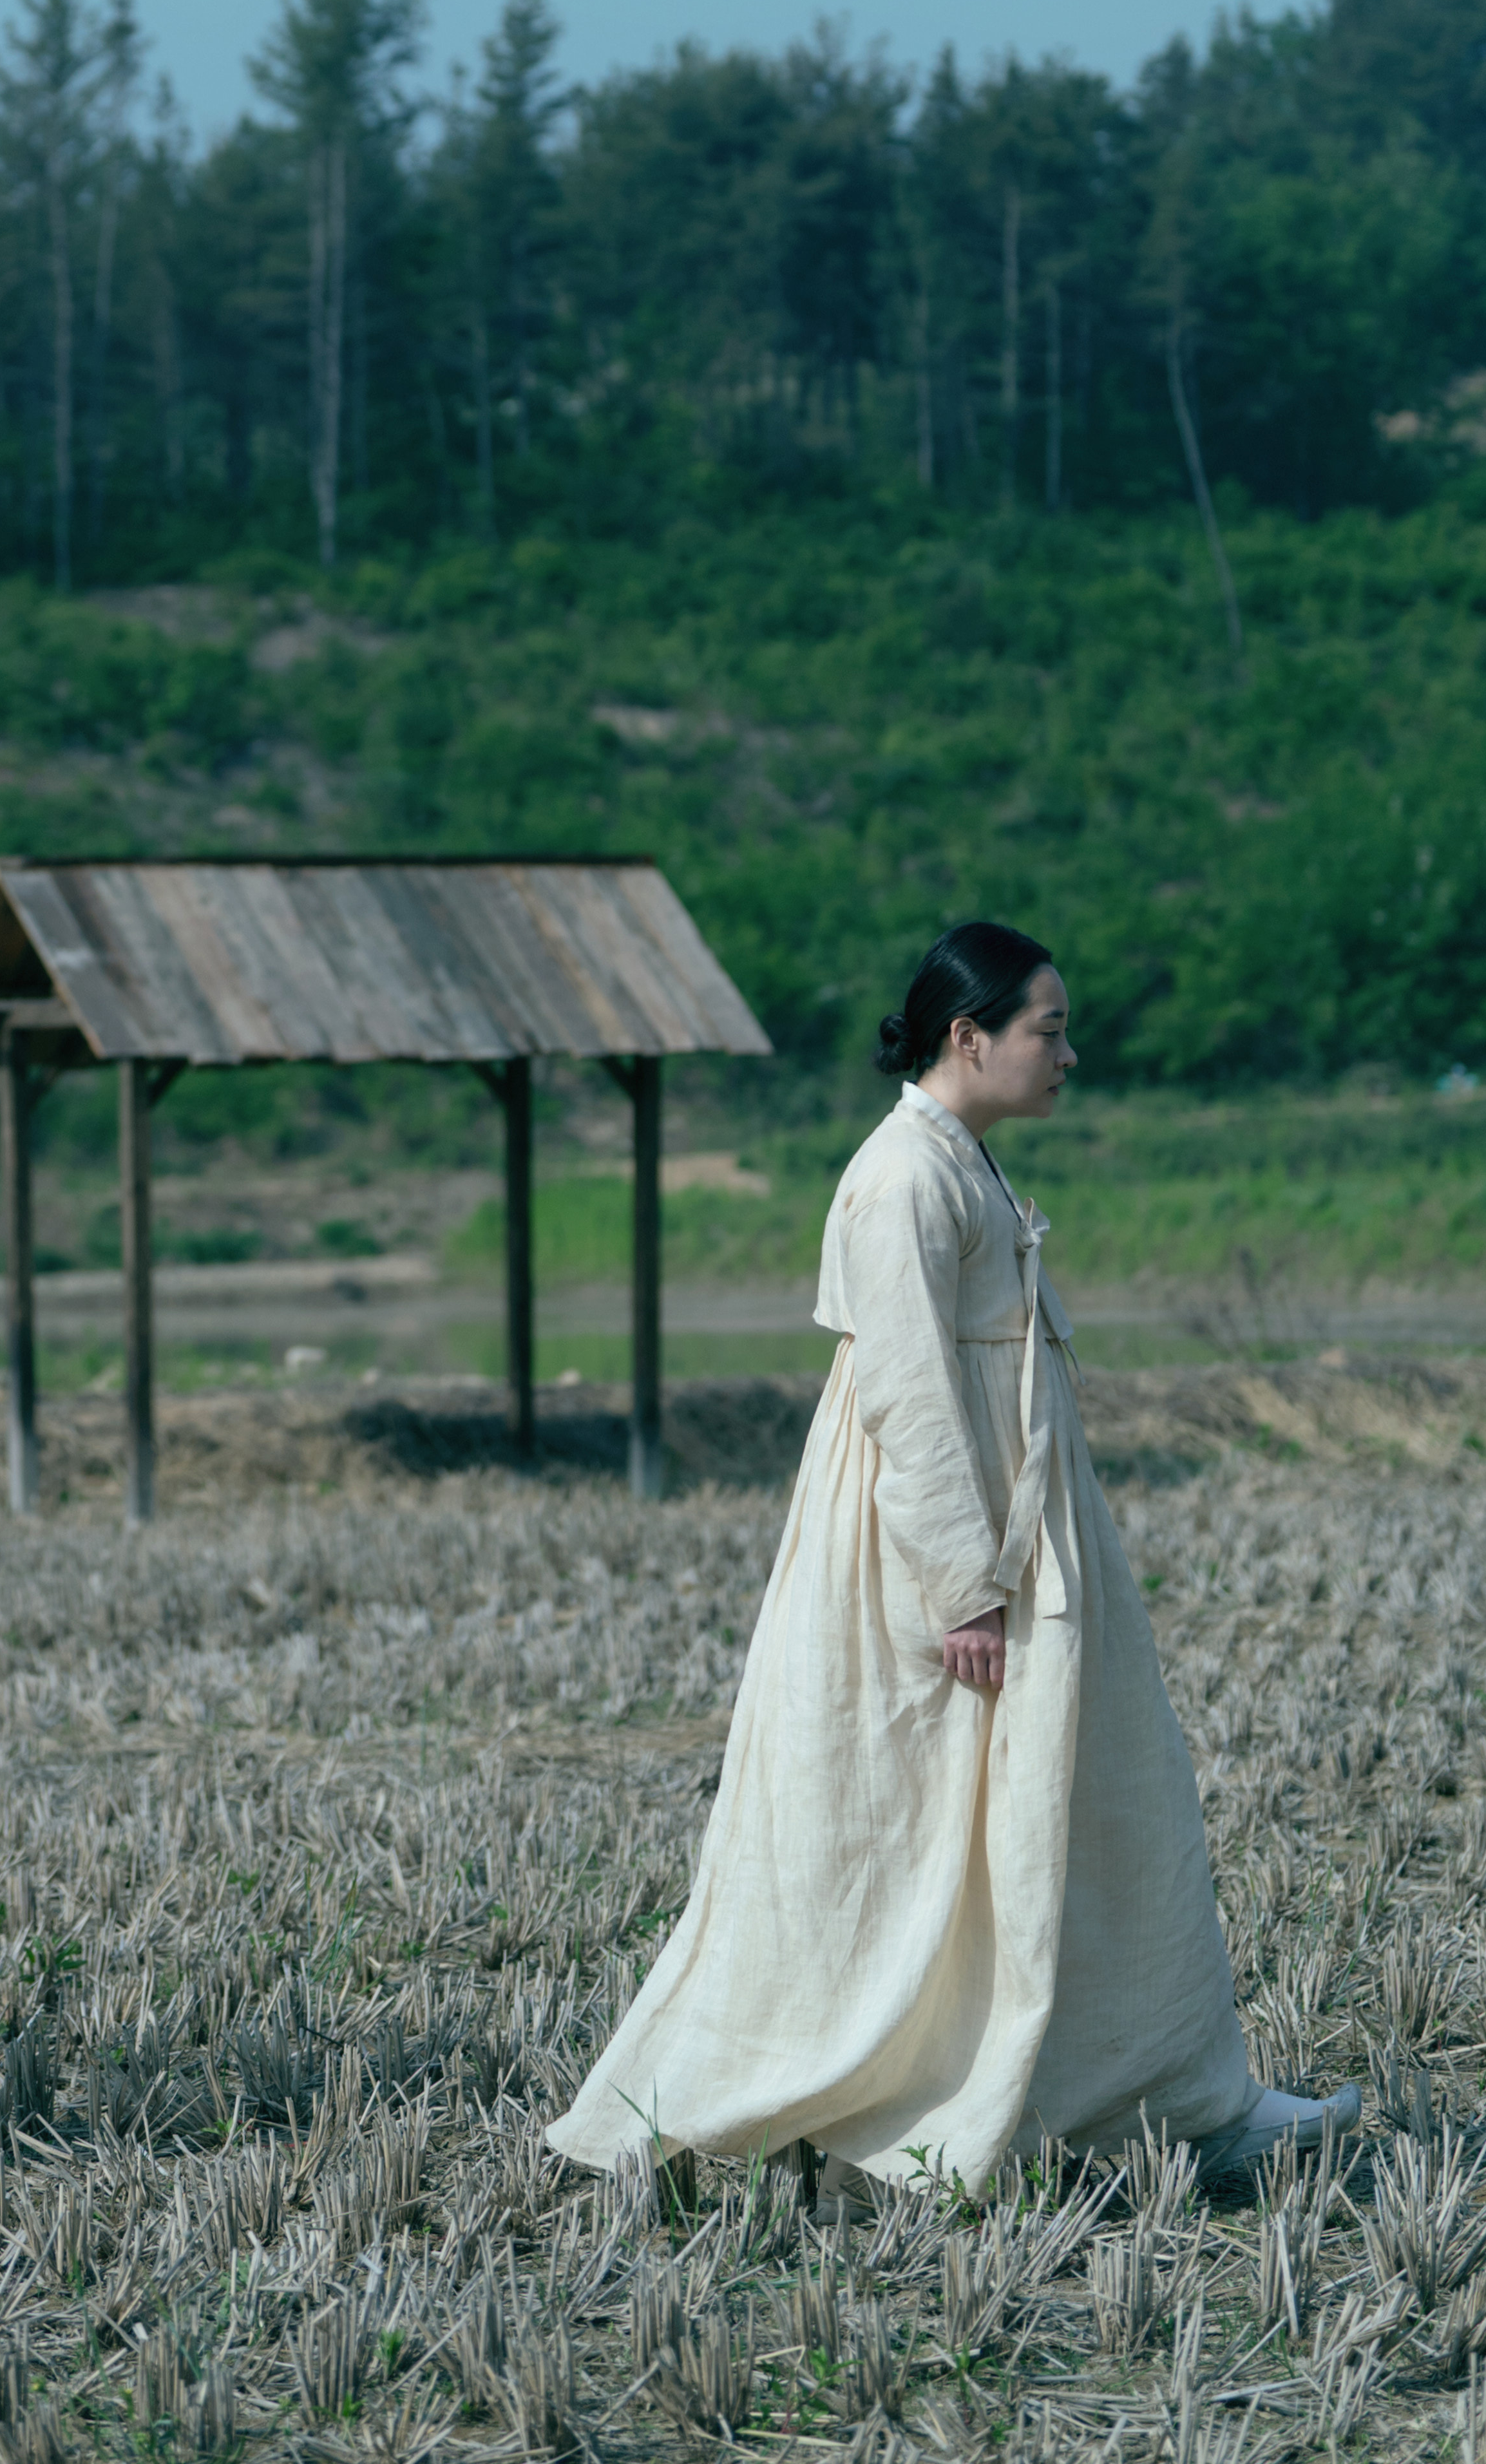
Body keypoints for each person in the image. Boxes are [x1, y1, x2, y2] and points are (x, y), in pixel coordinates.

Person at [548, 921, 1357, 2193]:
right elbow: (910, 1398)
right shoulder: (901, 1178)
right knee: (905, 1826)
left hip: (1011, 1540)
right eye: (1047, 1028)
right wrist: (964, 1589)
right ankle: (852, 2101)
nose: (1067, 1054)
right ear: (965, 1035)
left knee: (1084, 1812)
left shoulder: (955, 1164)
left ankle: (1169, 2099)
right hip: (944, 1565)